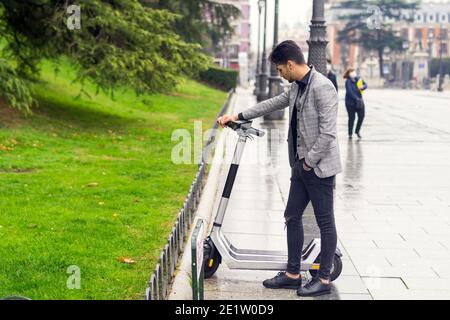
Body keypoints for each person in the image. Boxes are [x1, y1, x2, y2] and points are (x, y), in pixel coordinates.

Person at [217, 40, 342, 297]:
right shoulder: (296, 87)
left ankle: (324, 279)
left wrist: (308, 162)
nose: (279, 74)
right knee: (292, 216)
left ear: (290, 64)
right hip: (300, 166)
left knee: (325, 222)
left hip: (318, 168)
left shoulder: (323, 87)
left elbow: (328, 133)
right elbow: (271, 103)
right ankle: (293, 274)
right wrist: (238, 116)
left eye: (279, 69)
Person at [344, 68, 367, 139]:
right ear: (349, 73)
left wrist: (363, 87)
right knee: (351, 118)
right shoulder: (348, 81)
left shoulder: (358, 79)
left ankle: (357, 131)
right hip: (350, 103)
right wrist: (356, 98)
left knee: (361, 116)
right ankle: (350, 133)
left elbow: (365, 84)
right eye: (351, 72)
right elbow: (350, 92)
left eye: (353, 71)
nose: (353, 73)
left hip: (359, 102)